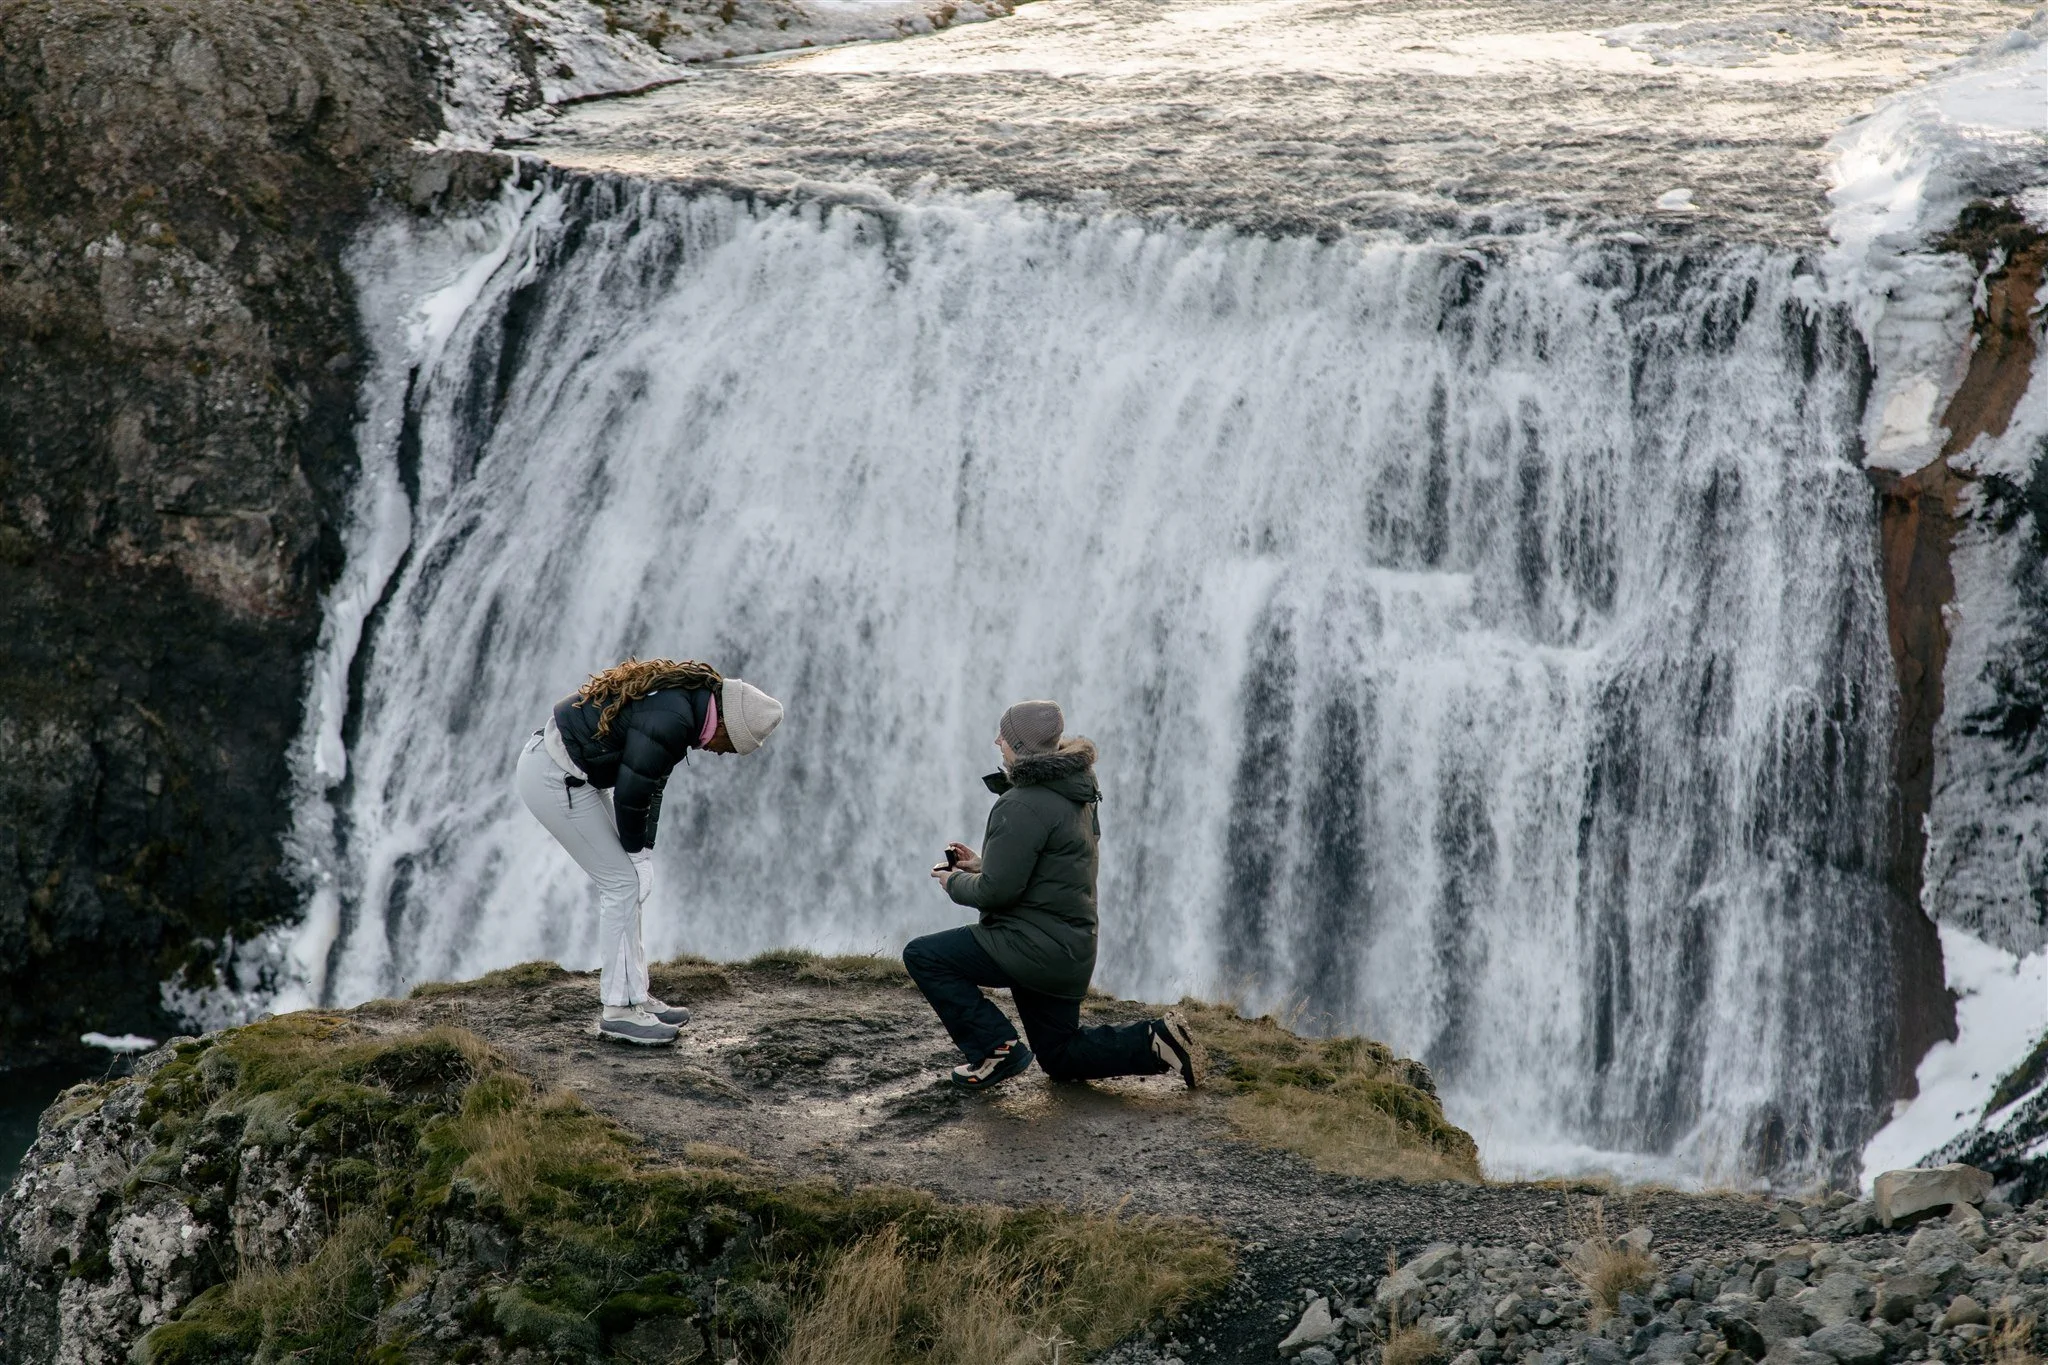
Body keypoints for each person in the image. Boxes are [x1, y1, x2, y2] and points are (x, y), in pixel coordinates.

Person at [904, 699, 1202, 1091]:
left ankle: (996, 1048)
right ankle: (1156, 1040)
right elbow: (1051, 863)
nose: (998, 741)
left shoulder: (1021, 803)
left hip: (1029, 946)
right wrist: (981, 863)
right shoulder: (1076, 791)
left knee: (924, 955)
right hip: (1067, 947)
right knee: (1060, 1055)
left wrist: (953, 882)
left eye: (1005, 736)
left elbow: (996, 892)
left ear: (1022, 746)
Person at [516, 657, 784, 1045]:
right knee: (622, 884)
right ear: (725, 725)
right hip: (553, 778)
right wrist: (636, 857)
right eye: (732, 747)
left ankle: (635, 996)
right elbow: (632, 791)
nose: (724, 754)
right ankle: (619, 1010)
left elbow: (651, 782)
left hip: (565, 771)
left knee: (626, 879)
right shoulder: (675, 718)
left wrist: (644, 849)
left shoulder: (687, 706)